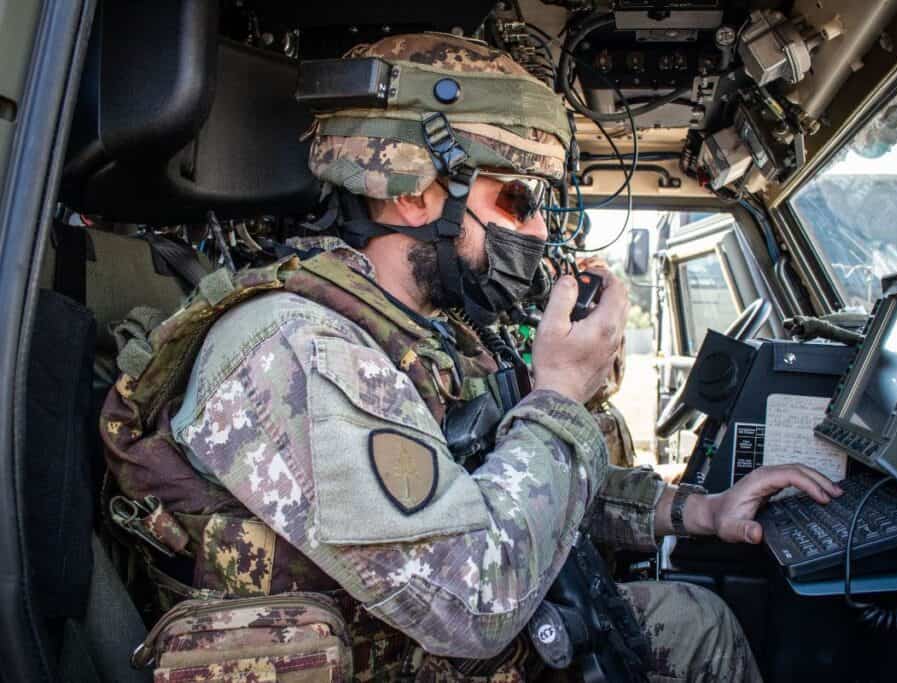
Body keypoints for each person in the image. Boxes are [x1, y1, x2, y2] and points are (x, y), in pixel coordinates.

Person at [101, 32, 842, 682]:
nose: (542, 231)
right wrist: (559, 396)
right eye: (518, 201)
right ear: (420, 192)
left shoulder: (433, 333)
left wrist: (692, 510)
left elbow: (508, 482)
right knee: (693, 627)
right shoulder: (293, 352)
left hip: (442, 649)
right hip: (443, 640)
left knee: (693, 621)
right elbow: (474, 597)